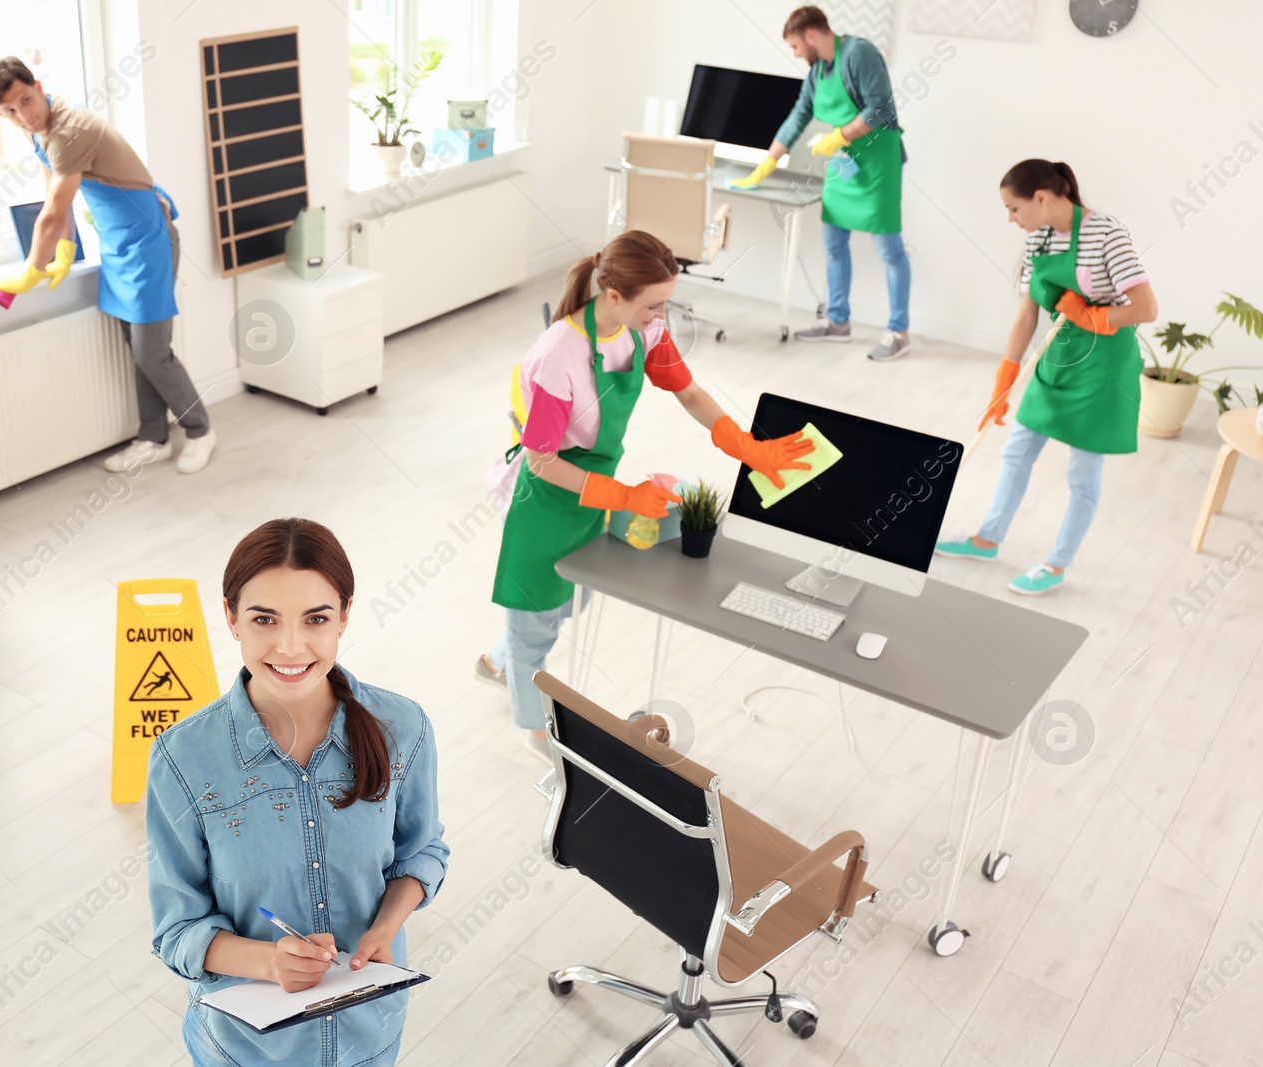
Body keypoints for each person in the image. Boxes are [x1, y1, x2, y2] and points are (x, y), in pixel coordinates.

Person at [480, 231, 814, 759]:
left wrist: (748, 447)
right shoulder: (559, 354)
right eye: (653, 303)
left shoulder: (644, 331)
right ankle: (536, 731)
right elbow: (543, 461)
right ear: (615, 296)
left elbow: (690, 392)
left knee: (569, 599)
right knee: (534, 620)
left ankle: (496, 661)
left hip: (598, 488)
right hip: (547, 499)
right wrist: (622, 495)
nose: (662, 314)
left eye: (665, 302)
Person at [146, 517, 447, 1066]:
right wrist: (268, 962)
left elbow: (422, 852)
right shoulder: (183, 758)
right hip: (245, 1053)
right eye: (264, 619)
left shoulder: (404, 727)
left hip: (369, 1038)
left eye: (316, 619)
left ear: (345, 617)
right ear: (231, 618)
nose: (291, 646)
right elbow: (177, 930)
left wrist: (385, 927)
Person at [0, 57, 217, 474]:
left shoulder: (68, 132)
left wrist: (30, 271)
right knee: (138, 349)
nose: (23, 115)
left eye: (26, 101)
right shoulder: (40, 129)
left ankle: (199, 430)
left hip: (147, 241)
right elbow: (56, 195)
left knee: (153, 353)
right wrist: (65, 251)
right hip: (118, 243)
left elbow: (52, 211)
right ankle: (153, 437)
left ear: (37, 85)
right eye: (10, 112)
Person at [935, 160, 1157, 595]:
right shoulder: (1036, 240)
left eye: (1013, 208)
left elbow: (1146, 309)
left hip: (1103, 366)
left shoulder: (1107, 233)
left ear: (1041, 197)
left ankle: (1056, 565)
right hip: (1056, 358)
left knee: (1083, 472)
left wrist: (1092, 316)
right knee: (1017, 451)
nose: (1010, 219)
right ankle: (987, 539)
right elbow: (1026, 316)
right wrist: (1004, 378)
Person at [733, 6, 912, 362]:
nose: (796, 54)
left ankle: (899, 332)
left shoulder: (859, 54)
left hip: (877, 162)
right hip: (845, 162)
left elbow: (881, 109)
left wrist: (838, 136)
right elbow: (799, 114)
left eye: (796, 46)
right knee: (833, 243)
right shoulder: (818, 70)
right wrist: (767, 162)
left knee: (889, 250)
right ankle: (837, 323)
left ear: (811, 35)